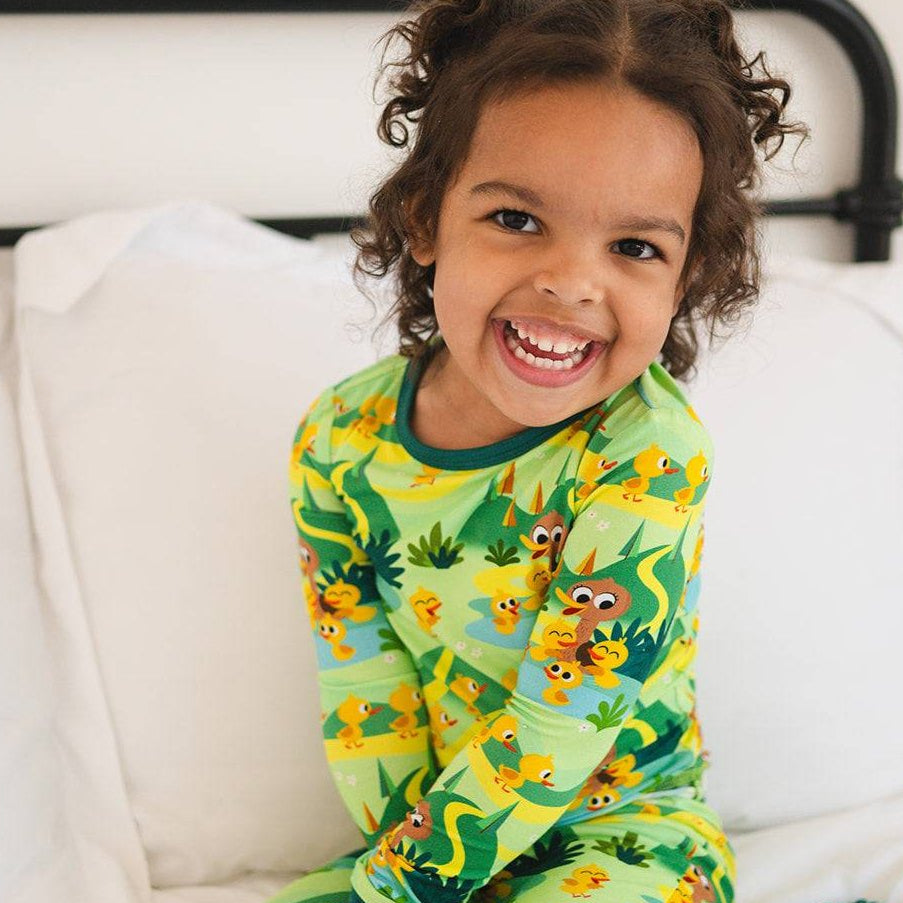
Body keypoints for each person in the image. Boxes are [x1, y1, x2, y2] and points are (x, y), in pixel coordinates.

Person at [270, 1, 807, 901]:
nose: (570, 282)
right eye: (517, 219)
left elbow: (560, 726)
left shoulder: (648, 455)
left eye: (634, 246)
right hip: (434, 839)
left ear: (684, 279)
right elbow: (369, 696)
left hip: (628, 840)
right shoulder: (338, 440)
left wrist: (403, 890)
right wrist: (406, 877)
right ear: (423, 218)